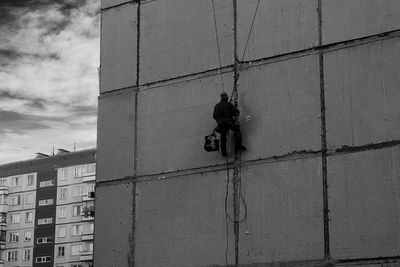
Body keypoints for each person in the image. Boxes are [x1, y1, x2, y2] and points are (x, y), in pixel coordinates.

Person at [213, 92, 246, 156]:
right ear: (227, 98)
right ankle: (238, 145)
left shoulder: (217, 106)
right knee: (237, 129)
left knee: (223, 137)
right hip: (229, 122)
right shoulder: (229, 105)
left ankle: (223, 152)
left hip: (221, 124)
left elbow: (214, 116)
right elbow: (237, 113)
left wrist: (220, 118)